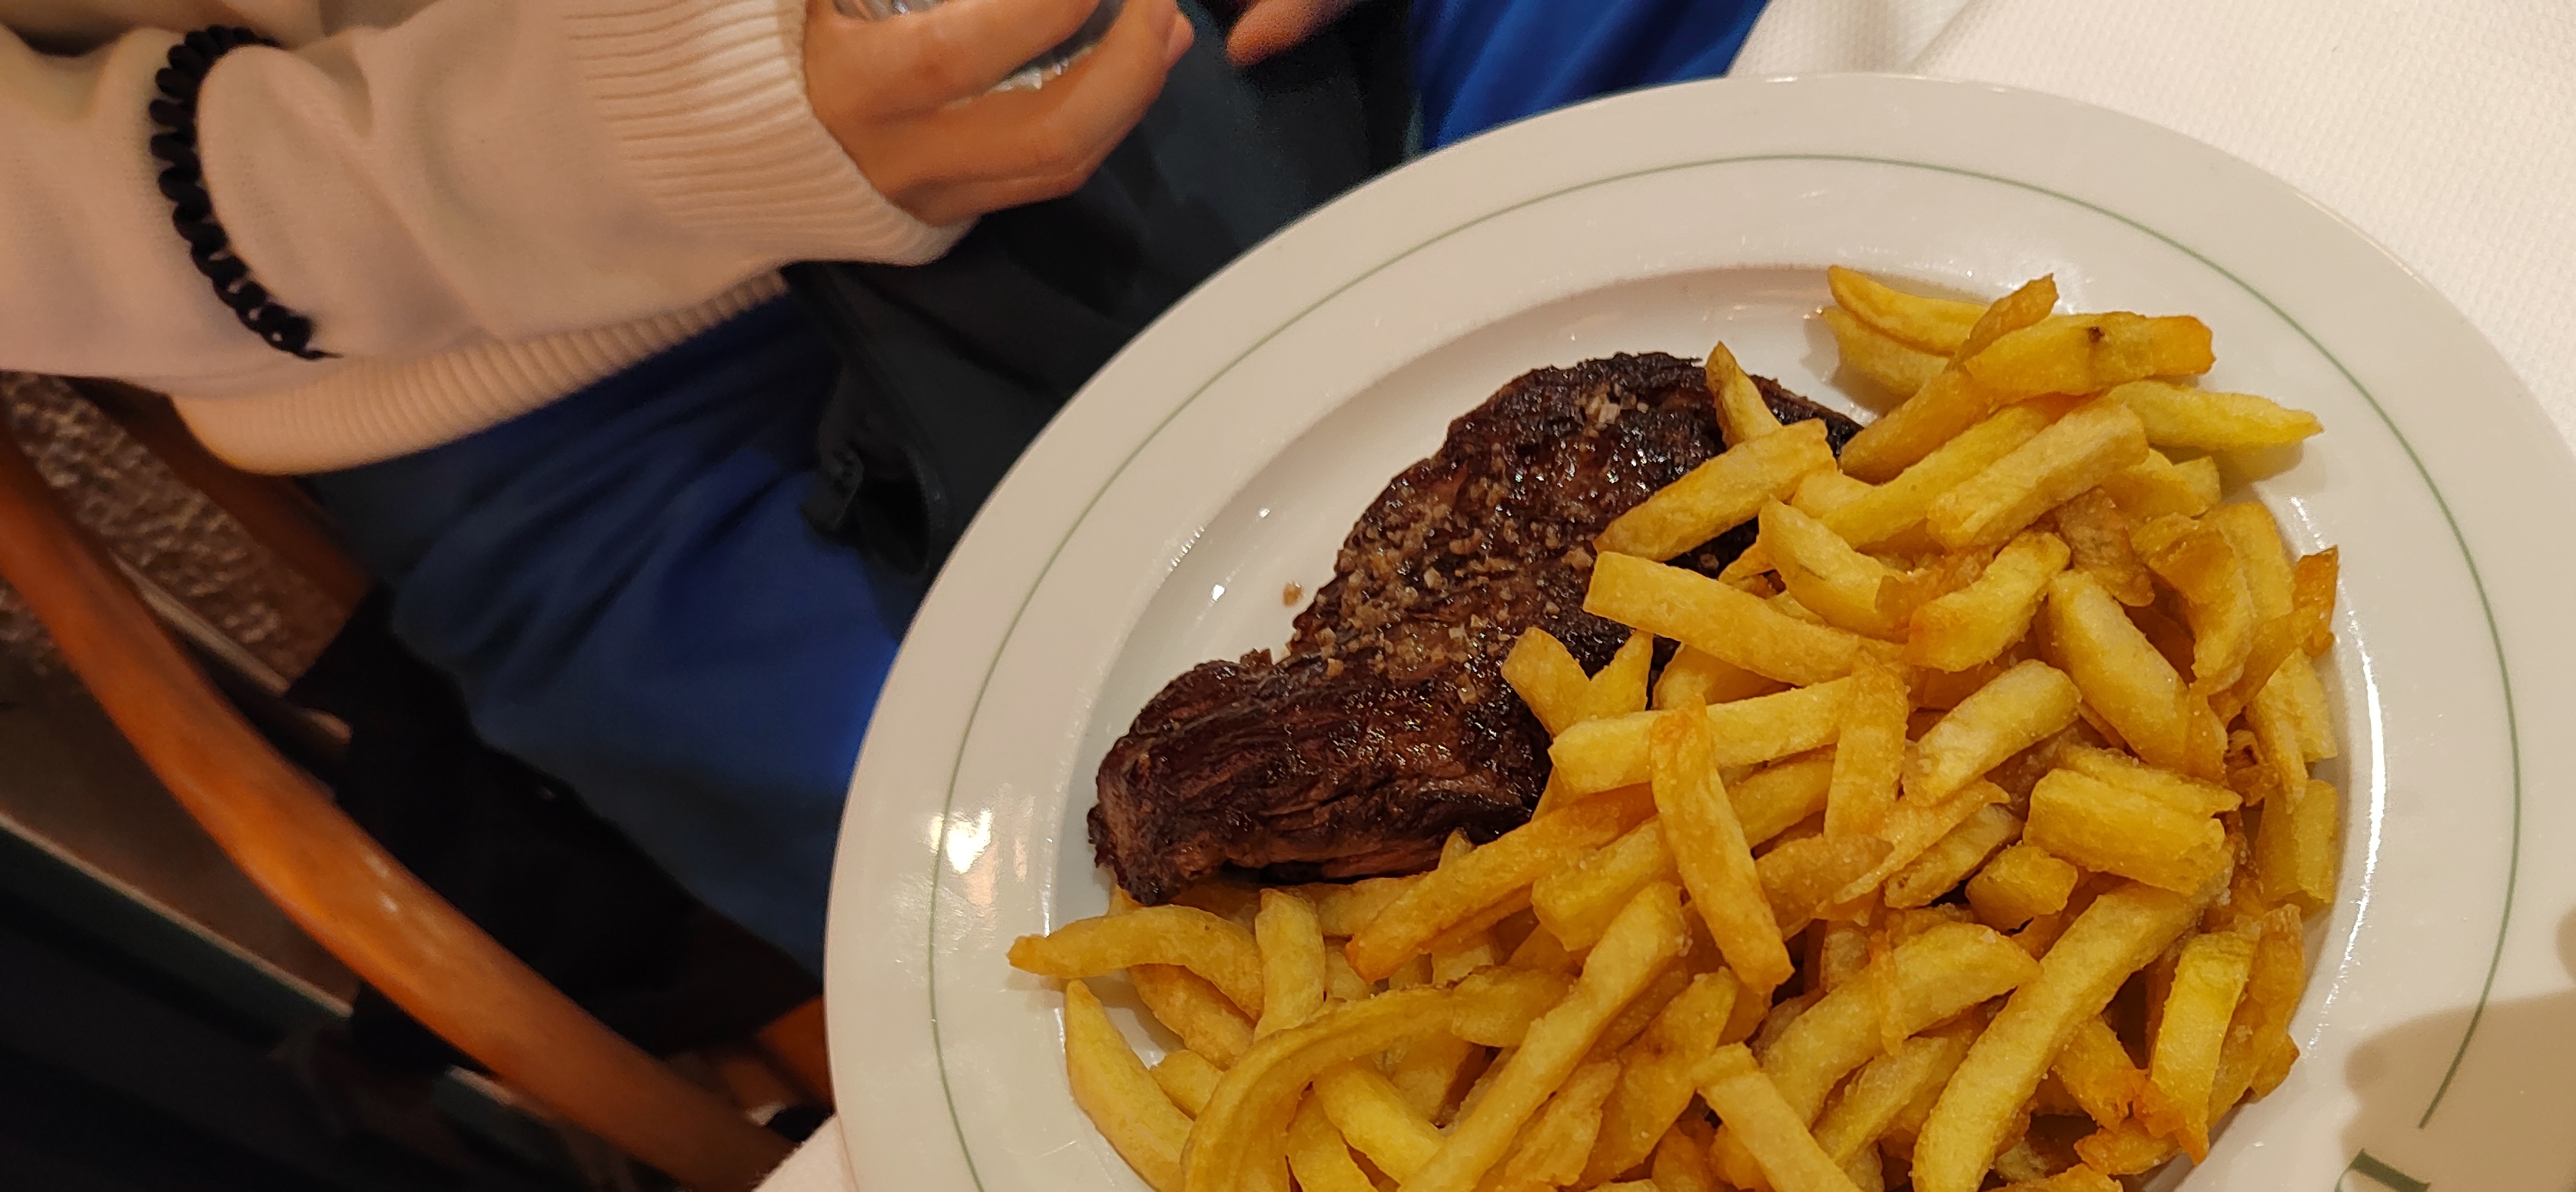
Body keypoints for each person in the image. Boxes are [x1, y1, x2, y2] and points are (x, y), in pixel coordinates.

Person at [1, 0, 1765, 969]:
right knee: (1033, 951)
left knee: (1779, 231)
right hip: (526, 367)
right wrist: (614, 139)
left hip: (1187, 38)